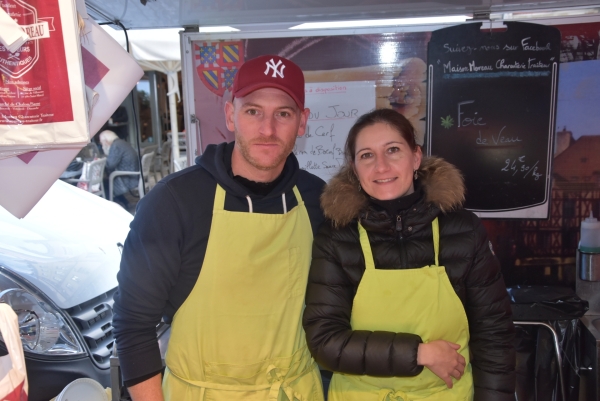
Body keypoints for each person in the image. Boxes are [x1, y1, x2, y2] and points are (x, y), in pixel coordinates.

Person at [112, 55, 326, 401]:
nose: (267, 129)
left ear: (302, 122)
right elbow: (133, 322)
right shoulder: (174, 202)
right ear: (230, 115)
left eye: (283, 114)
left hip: (295, 391)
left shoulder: (319, 200)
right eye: (253, 111)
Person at [303, 108, 516, 401]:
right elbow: (325, 341)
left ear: (416, 157)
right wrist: (418, 353)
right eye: (367, 155)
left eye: (393, 150)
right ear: (354, 168)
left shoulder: (463, 230)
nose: (381, 166)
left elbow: (494, 336)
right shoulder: (337, 237)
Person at [99, 130, 139, 209]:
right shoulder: (121, 143)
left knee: (103, 184)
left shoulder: (116, 146)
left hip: (128, 177)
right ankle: (125, 203)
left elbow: (110, 165)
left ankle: (111, 207)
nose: (102, 145)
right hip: (133, 174)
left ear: (106, 141)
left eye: (102, 143)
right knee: (107, 181)